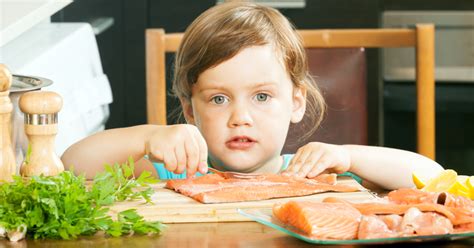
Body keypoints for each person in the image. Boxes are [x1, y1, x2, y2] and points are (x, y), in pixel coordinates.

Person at [61, 2, 443, 190]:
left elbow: (434, 178)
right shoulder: (169, 171)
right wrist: (147, 137)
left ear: (295, 102)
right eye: (218, 99)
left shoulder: (313, 172)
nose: (239, 117)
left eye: (261, 97)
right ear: (189, 111)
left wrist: (348, 155)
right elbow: (72, 164)